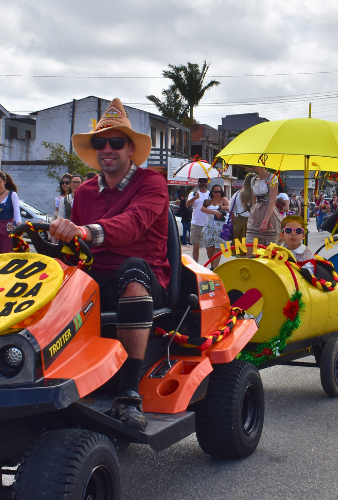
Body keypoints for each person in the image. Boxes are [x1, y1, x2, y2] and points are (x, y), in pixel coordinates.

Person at [49, 97, 170, 431]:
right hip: (96, 277)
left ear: (130, 148)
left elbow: (133, 222)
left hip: (146, 277)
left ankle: (129, 393)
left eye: (116, 142)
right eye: (100, 142)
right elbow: (74, 248)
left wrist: (86, 231)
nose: (107, 149)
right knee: (51, 279)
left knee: (131, 269)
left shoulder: (152, 183)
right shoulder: (85, 193)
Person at [246, 166, 280, 256]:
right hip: (256, 213)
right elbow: (254, 199)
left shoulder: (272, 178)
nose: (252, 166)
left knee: (270, 246)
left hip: (268, 212)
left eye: (255, 164)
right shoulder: (253, 180)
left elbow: (272, 201)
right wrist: (252, 213)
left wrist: (265, 221)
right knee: (250, 242)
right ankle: (251, 264)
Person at [199, 185, 229, 269]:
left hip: (220, 225)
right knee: (209, 247)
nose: (217, 194)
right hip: (209, 225)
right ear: (212, 192)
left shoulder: (223, 199)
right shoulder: (208, 201)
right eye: (215, 192)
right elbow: (202, 209)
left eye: (219, 192)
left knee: (218, 247)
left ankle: (215, 268)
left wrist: (219, 207)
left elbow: (230, 207)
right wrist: (215, 212)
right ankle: (212, 266)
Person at [188, 177, 211, 262]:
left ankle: (212, 266)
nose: (203, 183)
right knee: (196, 246)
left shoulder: (210, 194)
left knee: (209, 247)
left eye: (204, 182)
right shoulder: (193, 194)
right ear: (198, 183)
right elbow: (187, 204)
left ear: (207, 183)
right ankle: (195, 265)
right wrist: (194, 198)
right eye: (201, 182)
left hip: (208, 223)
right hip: (196, 223)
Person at [231, 173, 254, 243]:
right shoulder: (257, 195)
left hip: (239, 222)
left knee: (238, 247)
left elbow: (231, 210)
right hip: (253, 222)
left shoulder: (237, 194)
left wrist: (234, 221)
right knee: (252, 247)